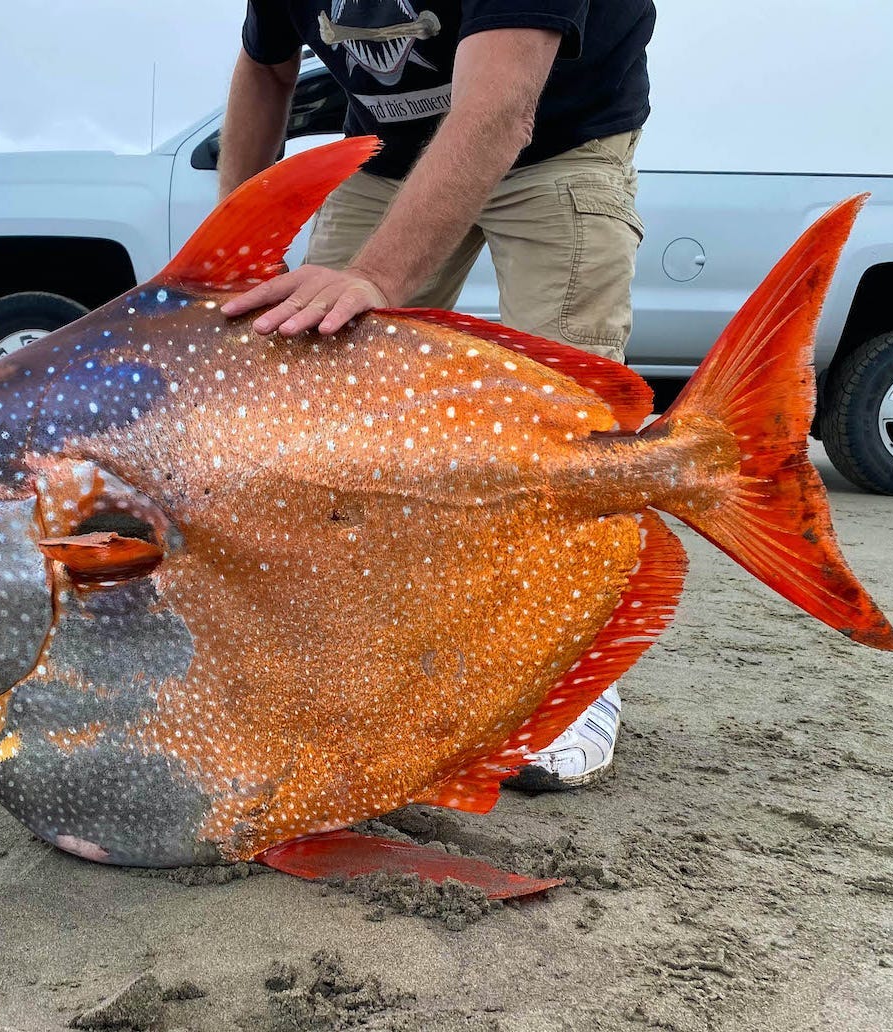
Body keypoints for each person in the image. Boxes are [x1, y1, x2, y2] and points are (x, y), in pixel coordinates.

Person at [217, 0, 656, 788]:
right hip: (391, 162)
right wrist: (234, 248)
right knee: (308, 396)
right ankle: (356, 660)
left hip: (559, 140)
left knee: (566, 417)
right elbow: (265, 67)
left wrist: (376, 277)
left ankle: (570, 679)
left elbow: (500, 109)